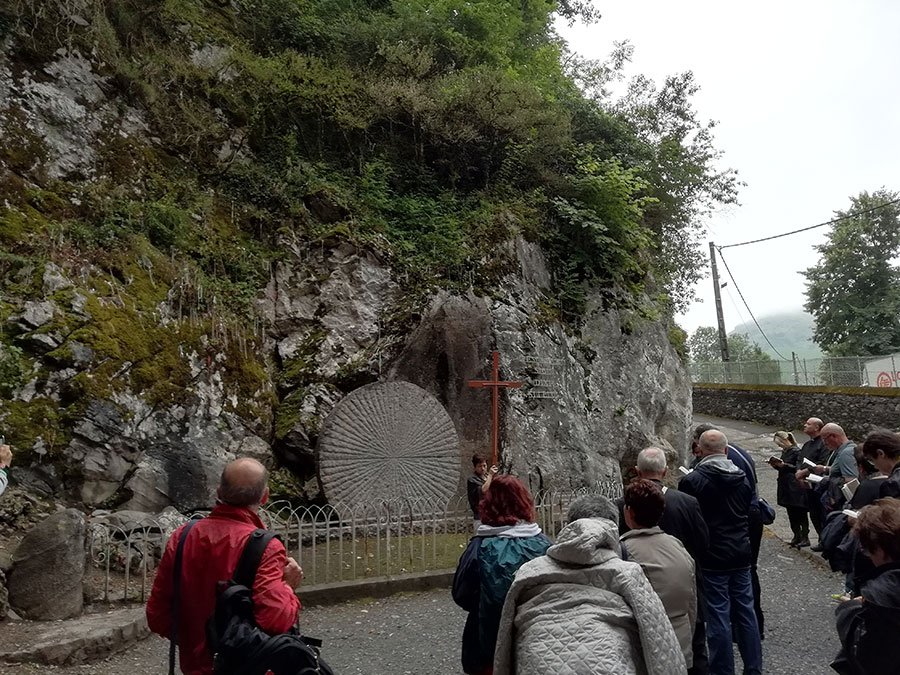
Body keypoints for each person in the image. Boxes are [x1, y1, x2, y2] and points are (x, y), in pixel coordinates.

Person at [492, 494, 685, 675]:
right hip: (610, 662)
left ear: (570, 526)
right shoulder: (627, 571)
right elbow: (659, 638)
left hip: (537, 660)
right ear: (612, 528)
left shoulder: (529, 570)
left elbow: (505, 632)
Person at [146, 458, 302, 675]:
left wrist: (197, 643)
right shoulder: (266, 547)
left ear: (218, 491)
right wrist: (287, 586)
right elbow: (275, 620)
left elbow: (157, 615)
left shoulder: (183, 536)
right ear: (265, 496)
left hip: (195, 667)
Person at [680, 429, 763, 675]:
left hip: (712, 554)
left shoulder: (692, 481)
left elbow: (691, 519)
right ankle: (754, 668)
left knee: (717, 614)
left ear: (700, 450)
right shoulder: (742, 478)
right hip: (740, 551)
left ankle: (722, 670)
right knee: (745, 611)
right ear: (726, 451)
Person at [452, 475, 551, 675]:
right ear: (524, 502)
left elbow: (461, 594)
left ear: (487, 505)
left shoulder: (478, 547)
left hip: (487, 645)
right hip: (536, 640)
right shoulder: (544, 544)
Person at [692, 423, 765, 638]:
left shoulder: (726, 461)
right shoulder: (738, 451)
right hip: (750, 515)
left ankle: (738, 627)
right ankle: (751, 627)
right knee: (747, 572)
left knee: (737, 577)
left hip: (738, 520)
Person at [620, 479, 697, 670]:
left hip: (645, 647)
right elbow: (692, 603)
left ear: (629, 512)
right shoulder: (677, 545)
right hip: (680, 643)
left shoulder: (623, 552)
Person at [831, 499, 900, 675]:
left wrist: (851, 609)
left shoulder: (882, 596)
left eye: (866, 547)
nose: (866, 554)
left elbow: (864, 658)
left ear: (880, 548)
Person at [797, 424, 857, 529]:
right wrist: (825, 469)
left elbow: (851, 483)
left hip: (841, 503)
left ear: (833, 436)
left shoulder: (846, 453)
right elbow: (840, 471)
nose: (824, 443)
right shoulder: (841, 451)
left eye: (825, 439)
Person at [768, 431, 809, 548]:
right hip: (786, 484)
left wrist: (783, 465)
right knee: (791, 512)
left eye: (780, 443)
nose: (779, 446)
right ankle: (797, 535)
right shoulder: (786, 451)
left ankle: (804, 536)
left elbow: (797, 467)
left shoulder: (796, 451)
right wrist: (777, 466)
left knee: (800, 512)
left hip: (794, 485)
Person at [799, 417, 828, 541]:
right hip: (807, 484)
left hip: (819, 485)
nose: (805, 425)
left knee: (822, 513)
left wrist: (805, 472)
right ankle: (821, 538)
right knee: (813, 513)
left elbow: (822, 463)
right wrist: (798, 473)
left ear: (817, 427)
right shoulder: (807, 444)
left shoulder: (823, 444)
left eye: (808, 424)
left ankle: (826, 540)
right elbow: (799, 460)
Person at [858, 428, 900, 499]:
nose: (875, 467)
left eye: (872, 461)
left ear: (880, 453)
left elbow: (890, 510)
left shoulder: (892, 485)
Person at [467, 454, 496, 528]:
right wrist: (490, 475)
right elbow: (483, 490)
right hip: (480, 516)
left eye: (484, 466)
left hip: (492, 514)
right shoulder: (472, 479)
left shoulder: (488, 476)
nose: (483, 469)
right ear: (475, 467)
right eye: (480, 466)